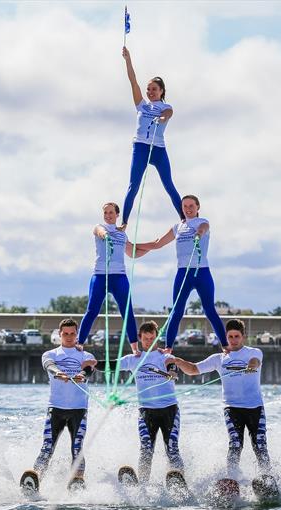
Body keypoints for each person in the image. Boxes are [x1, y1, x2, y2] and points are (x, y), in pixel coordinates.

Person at [170, 319, 271, 477]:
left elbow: (255, 362)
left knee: (260, 444)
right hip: (232, 408)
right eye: (230, 336)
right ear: (226, 337)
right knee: (235, 443)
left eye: (237, 336)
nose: (233, 340)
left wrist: (251, 366)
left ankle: (267, 476)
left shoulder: (254, 352)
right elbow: (194, 369)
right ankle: (232, 478)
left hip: (255, 407)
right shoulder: (218, 359)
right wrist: (180, 362)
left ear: (243, 336)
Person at [135, 194, 227, 351]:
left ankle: (226, 345)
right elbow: (157, 244)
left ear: (198, 207)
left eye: (191, 206)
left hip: (201, 272)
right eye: (185, 206)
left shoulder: (202, 222)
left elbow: (203, 229)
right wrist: (134, 245)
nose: (188, 209)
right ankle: (168, 347)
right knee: (177, 311)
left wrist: (198, 234)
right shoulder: (177, 227)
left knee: (209, 310)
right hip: (183, 274)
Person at [119, 320, 193, 483]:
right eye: (145, 338)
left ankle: (179, 480)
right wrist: (91, 365)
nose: (149, 341)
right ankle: (142, 484)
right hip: (146, 411)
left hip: (169, 410)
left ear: (157, 337)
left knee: (172, 449)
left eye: (152, 338)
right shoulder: (133, 359)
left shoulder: (165, 356)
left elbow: (171, 364)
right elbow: (111, 366)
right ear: (140, 339)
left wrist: (172, 371)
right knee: (146, 450)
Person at [27, 319, 98, 487]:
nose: (68, 337)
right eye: (65, 334)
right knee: (47, 447)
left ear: (77, 335)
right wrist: (59, 373)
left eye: (72, 333)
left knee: (77, 447)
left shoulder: (86, 356)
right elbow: (49, 366)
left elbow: (89, 369)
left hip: (78, 409)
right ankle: (35, 478)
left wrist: (82, 374)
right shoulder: (50, 354)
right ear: (59, 335)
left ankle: (77, 480)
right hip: (56, 408)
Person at [120, 46, 182, 228]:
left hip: (158, 149)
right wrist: (128, 60)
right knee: (133, 186)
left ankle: (184, 219)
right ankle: (124, 222)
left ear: (161, 91)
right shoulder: (142, 105)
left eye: (154, 89)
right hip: (140, 147)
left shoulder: (166, 107)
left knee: (168, 184)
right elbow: (133, 82)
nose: (150, 92)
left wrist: (162, 118)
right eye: (148, 89)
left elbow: (168, 114)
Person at [77, 202, 146, 353]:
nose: (108, 216)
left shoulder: (122, 234)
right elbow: (101, 232)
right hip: (100, 276)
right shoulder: (98, 227)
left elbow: (133, 253)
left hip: (119, 276)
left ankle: (134, 346)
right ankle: (79, 343)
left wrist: (153, 246)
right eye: (105, 213)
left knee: (127, 311)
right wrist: (106, 235)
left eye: (111, 213)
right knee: (92, 310)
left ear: (117, 215)